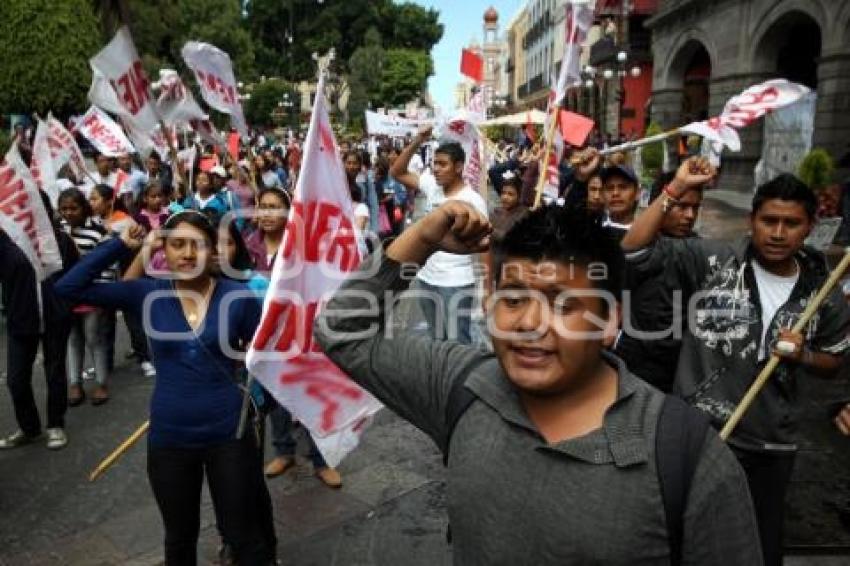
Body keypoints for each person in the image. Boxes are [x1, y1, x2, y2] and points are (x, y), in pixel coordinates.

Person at [314, 199, 762, 564]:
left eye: (562, 304)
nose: (528, 322)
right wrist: (421, 240)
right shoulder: (462, 386)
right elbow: (341, 330)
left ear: (610, 322)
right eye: (512, 298)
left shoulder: (686, 456)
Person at [622, 162, 850, 566]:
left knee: (759, 544)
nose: (778, 233)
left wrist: (804, 356)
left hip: (770, 441)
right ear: (752, 220)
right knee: (686, 536)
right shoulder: (713, 261)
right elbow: (635, 249)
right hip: (699, 429)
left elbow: (834, 362)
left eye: (791, 223)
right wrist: (675, 187)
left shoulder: (825, 288)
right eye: (769, 221)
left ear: (810, 226)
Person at [55, 212, 275, 564]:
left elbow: (266, 350)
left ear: (213, 252)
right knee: (178, 539)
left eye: (198, 245)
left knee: (242, 535)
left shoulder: (238, 295)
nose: (188, 254)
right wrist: (122, 245)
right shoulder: (147, 293)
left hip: (229, 435)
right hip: (170, 439)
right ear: (164, 250)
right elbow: (67, 288)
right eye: (177, 244)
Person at [389, 125, 488, 344]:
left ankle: (458, 379)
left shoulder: (473, 201)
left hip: (457, 283)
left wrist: (488, 290)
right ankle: (438, 378)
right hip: (426, 278)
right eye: (435, 163)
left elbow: (485, 246)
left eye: (443, 164)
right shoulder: (432, 187)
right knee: (436, 339)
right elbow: (396, 172)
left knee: (458, 342)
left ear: (459, 167)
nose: (436, 169)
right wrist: (418, 140)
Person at [614, 170, 707, 392]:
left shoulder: (699, 250)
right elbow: (630, 249)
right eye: (681, 206)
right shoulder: (641, 244)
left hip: (681, 369)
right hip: (637, 366)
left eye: (695, 208)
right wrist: (676, 187)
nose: (689, 216)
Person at [0, 193, 78, 450]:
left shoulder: (60, 240)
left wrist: (66, 305)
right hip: (21, 318)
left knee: (55, 372)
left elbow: (75, 275)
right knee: (16, 379)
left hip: (55, 316)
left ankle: (55, 424)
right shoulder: (5, 242)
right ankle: (29, 427)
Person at [57, 188, 111, 406]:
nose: (68, 213)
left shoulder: (98, 232)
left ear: (84, 208)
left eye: (73, 208)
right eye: (64, 209)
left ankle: (101, 382)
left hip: (92, 294)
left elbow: (106, 265)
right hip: (66, 296)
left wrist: (102, 296)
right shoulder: (58, 233)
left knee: (94, 338)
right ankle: (74, 383)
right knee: (73, 340)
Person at [600, 163, 640, 237]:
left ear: (637, 193)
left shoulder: (647, 234)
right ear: (602, 195)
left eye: (623, 187)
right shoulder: (591, 231)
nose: (615, 193)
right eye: (609, 188)